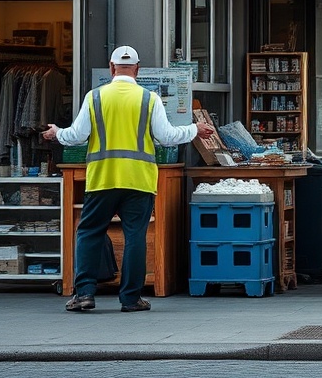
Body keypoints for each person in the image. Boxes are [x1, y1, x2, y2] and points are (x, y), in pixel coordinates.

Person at [43, 45, 215, 313]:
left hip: (102, 178)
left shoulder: (94, 97)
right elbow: (166, 137)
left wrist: (57, 133)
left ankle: (85, 294)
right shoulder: (149, 99)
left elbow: (76, 136)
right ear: (137, 69)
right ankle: (131, 298)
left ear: (111, 68)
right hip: (139, 180)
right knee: (135, 236)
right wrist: (194, 129)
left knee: (89, 233)